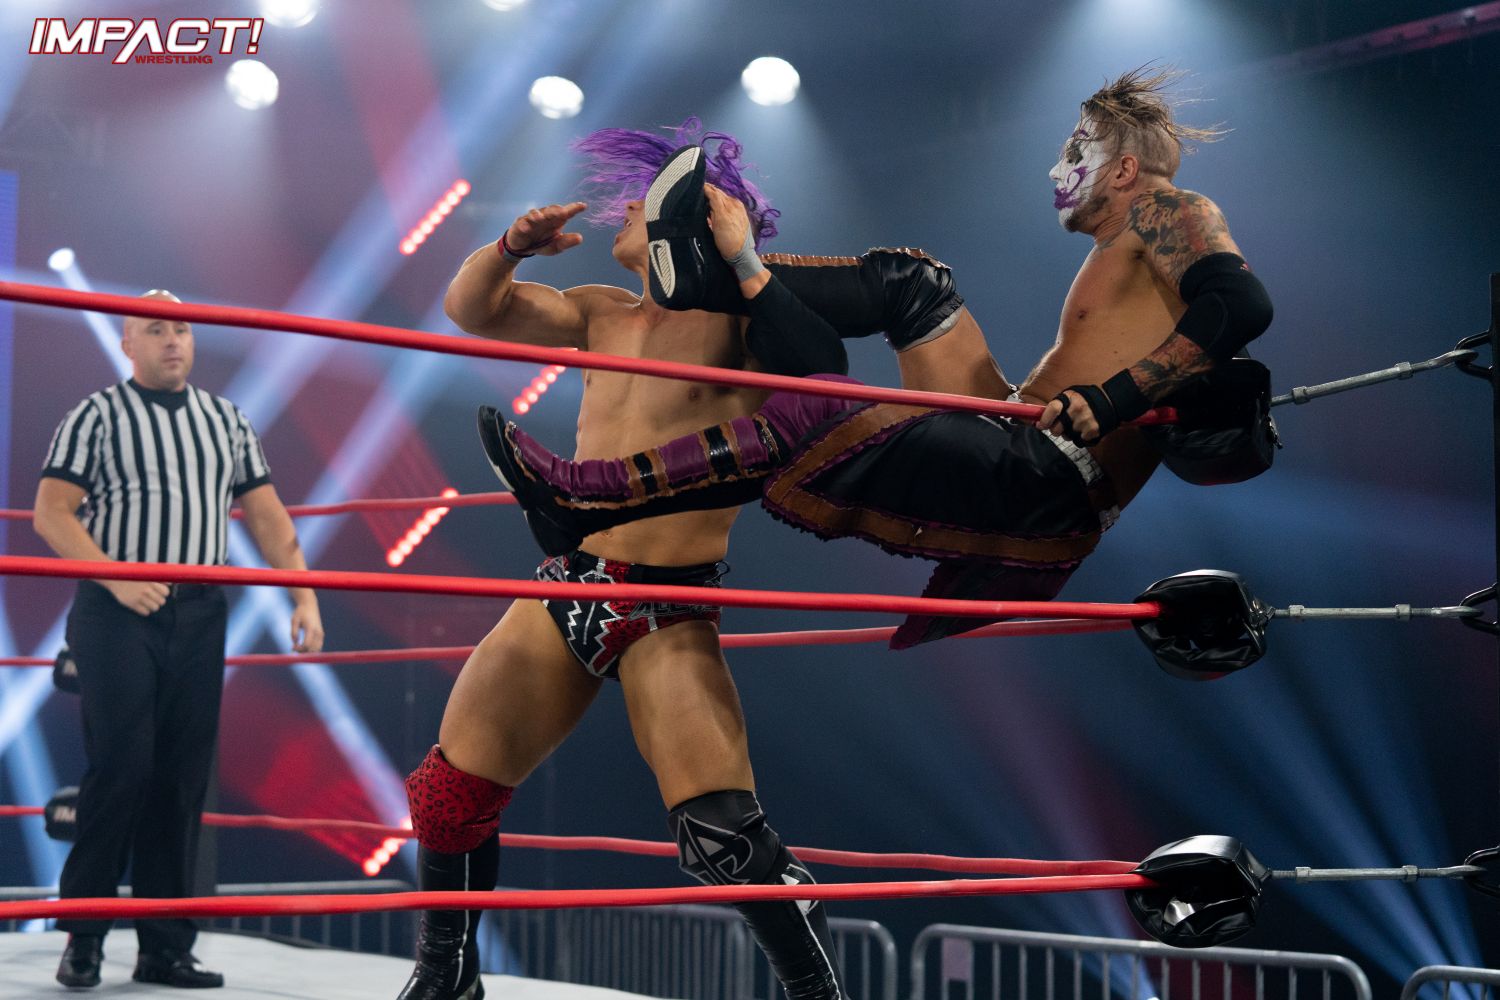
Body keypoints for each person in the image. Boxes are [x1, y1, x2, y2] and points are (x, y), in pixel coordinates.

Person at [480, 66, 1274, 648]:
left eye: (1077, 149)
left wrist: (1114, 399)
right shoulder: (1123, 246)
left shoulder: (1169, 210)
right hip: (1018, 434)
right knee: (914, 283)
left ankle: (588, 498)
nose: (1058, 168)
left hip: (1048, 480)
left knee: (821, 407)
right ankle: (712, 273)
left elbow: (1241, 306)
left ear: (1125, 169)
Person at [398, 124, 852, 1000]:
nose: (629, 207)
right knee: (448, 798)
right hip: (568, 590)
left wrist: (744, 258)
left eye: (649, 200)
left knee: (724, 838)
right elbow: (472, 310)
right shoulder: (602, 312)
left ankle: (816, 995)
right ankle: (445, 976)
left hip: (667, 607)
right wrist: (509, 248)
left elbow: (824, 372)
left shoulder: (742, 328)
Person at [34, 290, 325, 990]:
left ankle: (165, 947)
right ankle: (84, 937)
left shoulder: (226, 420)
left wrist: (304, 595)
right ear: (128, 343)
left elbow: (267, 516)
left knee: (180, 778)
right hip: (115, 613)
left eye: (183, 329)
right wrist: (117, 579)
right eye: (155, 328)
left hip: (198, 612)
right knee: (122, 767)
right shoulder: (95, 415)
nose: (172, 340)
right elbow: (52, 513)